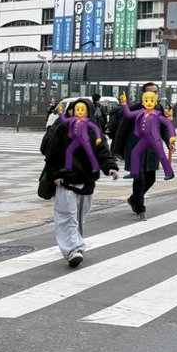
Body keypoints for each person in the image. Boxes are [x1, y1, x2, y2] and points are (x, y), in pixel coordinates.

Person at [39, 97, 119, 268]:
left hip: (87, 181)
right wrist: (55, 174)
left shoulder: (94, 130)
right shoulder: (63, 128)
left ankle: (77, 245)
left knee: (79, 217)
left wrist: (110, 167)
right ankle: (72, 250)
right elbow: (53, 153)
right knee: (66, 216)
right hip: (66, 180)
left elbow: (103, 151)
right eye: (76, 109)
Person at [112, 83, 173, 221]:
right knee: (139, 179)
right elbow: (122, 129)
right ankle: (140, 209)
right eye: (151, 92)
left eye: (156, 92)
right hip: (135, 149)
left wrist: (169, 141)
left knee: (151, 179)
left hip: (152, 150)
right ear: (143, 94)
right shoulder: (133, 109)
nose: (154, 94)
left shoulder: (158, 108)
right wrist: (117, 151)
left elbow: (163, 128)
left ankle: (133, 199)